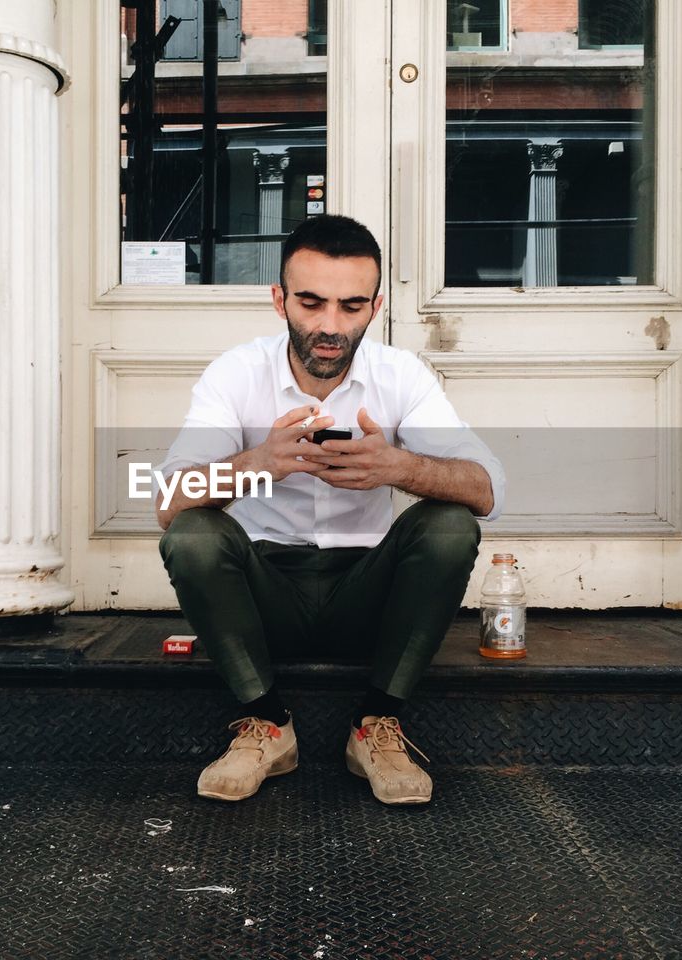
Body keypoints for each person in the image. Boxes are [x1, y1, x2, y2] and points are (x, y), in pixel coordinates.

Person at [154, 214, 504, 805]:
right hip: (265, 598)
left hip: (366, 596)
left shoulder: (400, 375)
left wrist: (401, 468)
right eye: (311, 303)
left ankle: (377, 725)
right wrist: (256, 463)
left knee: (449, 524)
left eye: (350, 306)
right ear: (279, 300)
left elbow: (488, 488)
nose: (329, 326)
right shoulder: (237, 372)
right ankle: (264, 722)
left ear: (375, 307)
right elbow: (166, 501)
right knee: (193, 535)